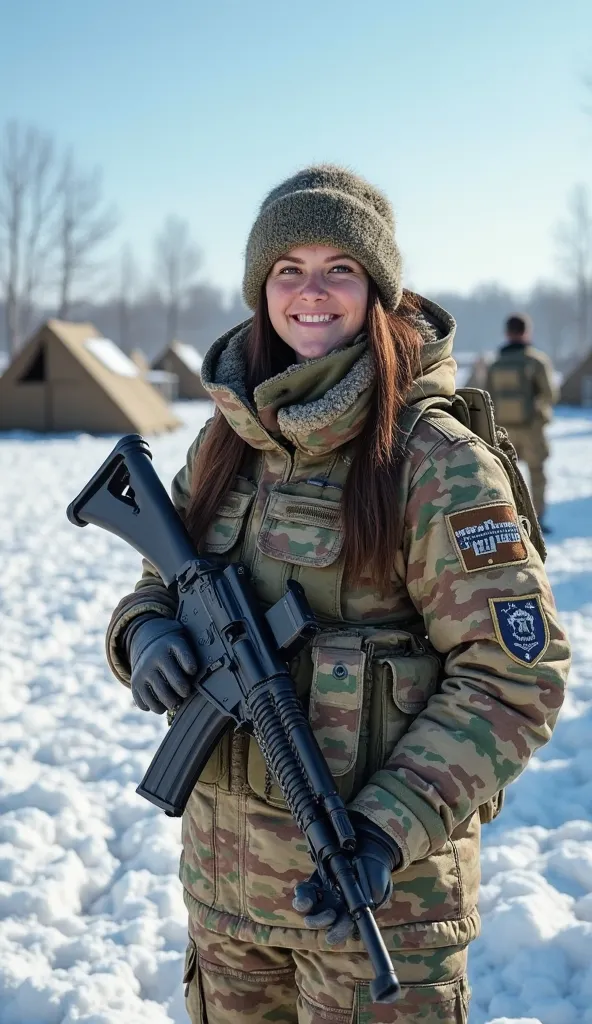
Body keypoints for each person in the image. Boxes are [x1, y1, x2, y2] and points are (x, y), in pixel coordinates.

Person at [105, 166, 570, 1023]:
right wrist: (148, 637)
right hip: (226, 902)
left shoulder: (433, 459)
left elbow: (516, 675)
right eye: (289, 269)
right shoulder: (223, 441)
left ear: (377, 291)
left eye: (339, 269)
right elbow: (155, 581)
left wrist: (388, 827)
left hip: (377, 908)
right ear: (261, 291)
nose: (311, 292)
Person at [485, 314, 558, 532]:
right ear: (527, 331)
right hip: (532, 429)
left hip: (504, 430)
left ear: (507, 333)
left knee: (507, 475)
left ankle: (512, 518)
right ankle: (538, 520)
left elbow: (487, 395)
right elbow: (551, 394)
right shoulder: (536, 360)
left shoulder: (495, 363)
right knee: (536, 473)